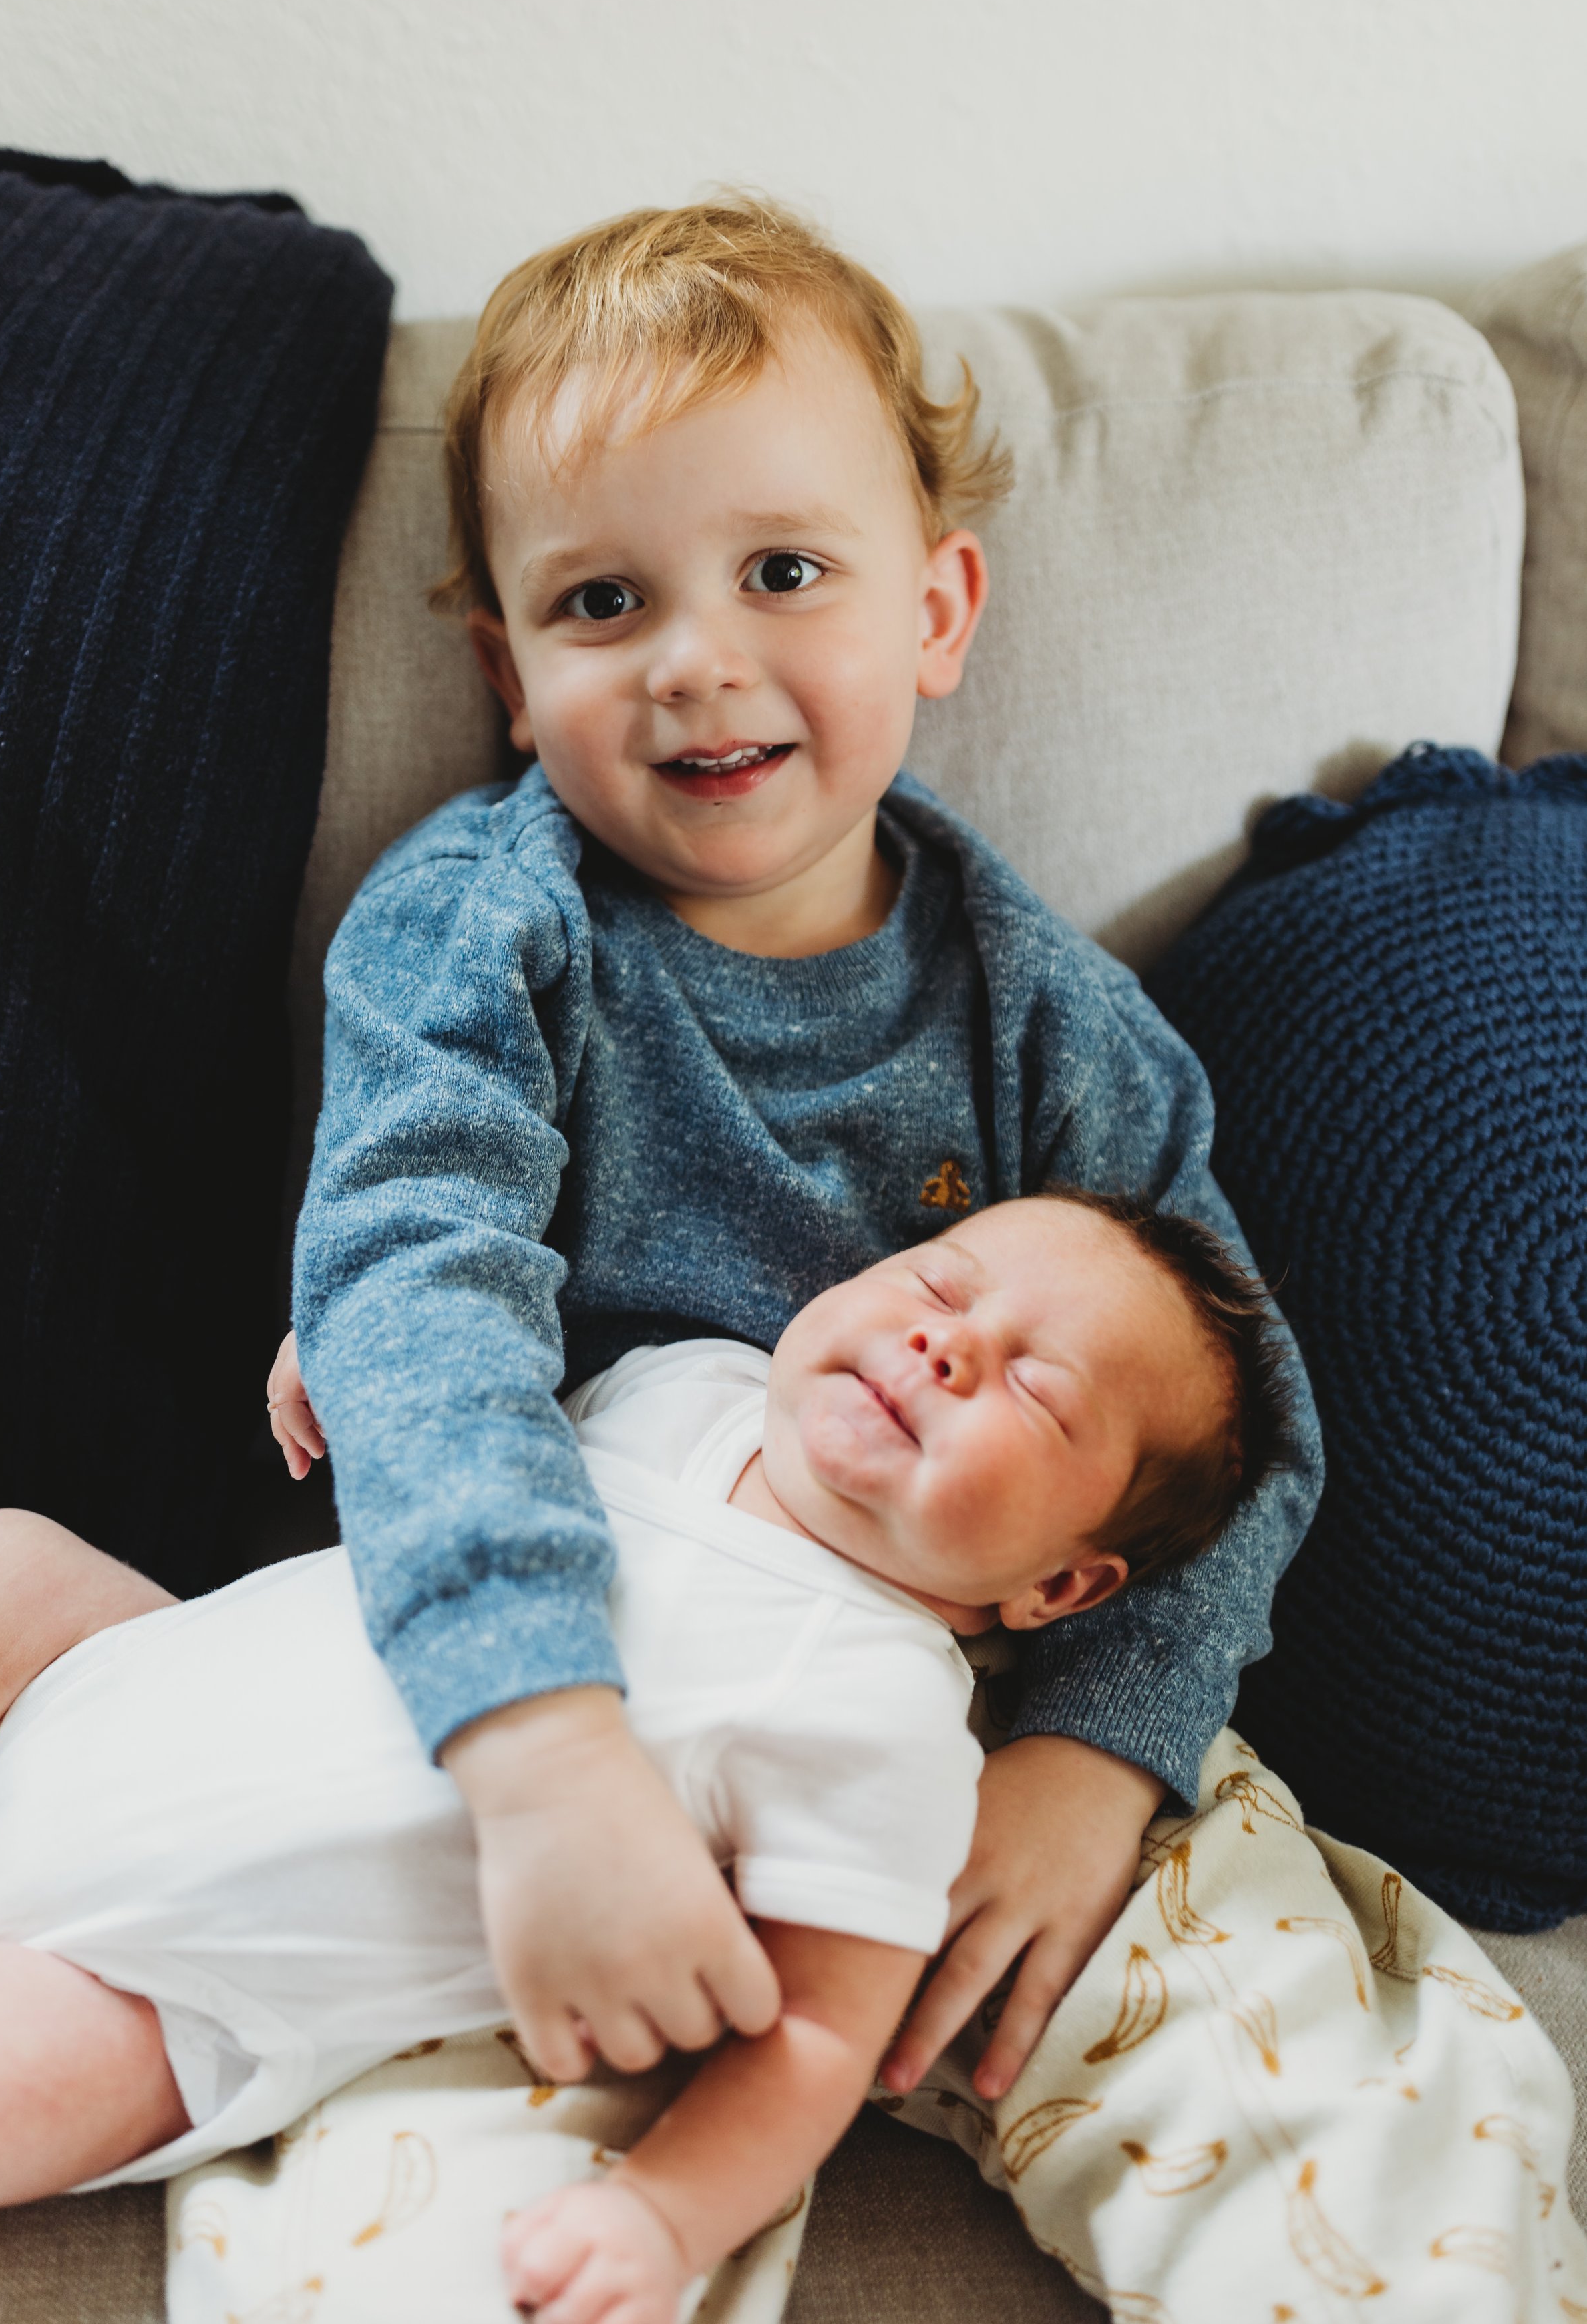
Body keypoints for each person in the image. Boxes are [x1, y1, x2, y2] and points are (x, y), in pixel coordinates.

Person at [267, 194, 1324, 2112]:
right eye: (603, 602)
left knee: (1279, 2052)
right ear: (511, 676)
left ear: (930, 610)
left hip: (923, 1707)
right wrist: (542, 1741)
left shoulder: (1053, 1025)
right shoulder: (484, 934)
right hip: (570, 1644)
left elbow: (1239, 1406)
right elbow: (414, 1292)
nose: (693, 659)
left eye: (779, 568)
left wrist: (1094, 1752)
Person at [0, 1196, 1289, 2324]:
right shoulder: (691, 1385)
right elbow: (463, 1398)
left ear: (1058, 1588)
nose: (947, 1346)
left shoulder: (881, 1721)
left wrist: (660, 2210)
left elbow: (816, 2037)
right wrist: (364, 1343)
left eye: (1034, 1391)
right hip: (111, 1676)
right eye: (936, 1284)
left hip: (165, 1976)